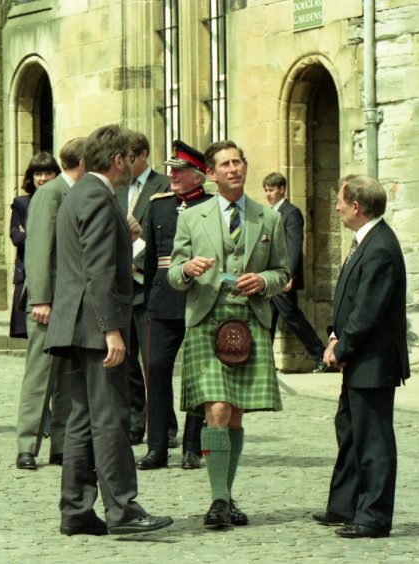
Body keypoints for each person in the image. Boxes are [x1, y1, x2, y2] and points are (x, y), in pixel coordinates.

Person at [44, 124, 172, 536]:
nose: (134, 168)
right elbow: (98, 271)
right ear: (118, 161)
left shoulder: (79, 193)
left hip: (76, 324)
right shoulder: (99, 197)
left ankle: (77, 510)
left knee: (82, 417)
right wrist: (112, 331)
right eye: (131, 160)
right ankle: (123, 508)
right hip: (95, 326)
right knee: (111, 416)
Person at [168, 140, 289, 529]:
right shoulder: (192, 217)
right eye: (225, 164)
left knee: (235, 416)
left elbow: (284, 272)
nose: (234, 168)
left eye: (239, 161)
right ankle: (218, 500)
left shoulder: (267, 218)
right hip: (208, 317)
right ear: (212, 173)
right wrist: (188, 270)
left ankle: (227, 493)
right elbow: (173, 272)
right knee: (216, 411)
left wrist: (264, 280)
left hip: (250, 319)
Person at [313, 174, 409, 539]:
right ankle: (344, 505)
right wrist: (336, 335)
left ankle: (373, 516)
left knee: (374, 442)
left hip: (373, 362)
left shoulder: (381, 247)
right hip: (359, 359)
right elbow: (353, 299)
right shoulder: (366, 242)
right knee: (350, 433)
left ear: (356, 206)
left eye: (340, 200)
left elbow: (369, 310)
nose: (336, 207)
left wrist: (341, 347)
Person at [136, 140, 211, 472]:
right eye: (171, 170)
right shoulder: (159, 206)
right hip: (163, 300)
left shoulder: (212, 206)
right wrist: (149, 300)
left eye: (180, 171)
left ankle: (193, 447)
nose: (172, 175)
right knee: (155, 370)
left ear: (198, 176)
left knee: (197, 376)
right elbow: (152, 260)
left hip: (198, 298)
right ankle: (157, 447)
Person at [14, 139, 85, 470]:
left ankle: (61, 445)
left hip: (71, 303)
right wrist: (40, 298)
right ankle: (27, 445)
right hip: (49, 302)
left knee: (68, 380)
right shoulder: (50, 194)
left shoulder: (79, 191)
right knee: (40, 376)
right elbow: (38, 249)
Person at [115, 132, 171, 446]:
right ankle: (137, 421)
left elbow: (167, 237)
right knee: (128, 363)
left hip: (150, 286)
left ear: (143, 155)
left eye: (128, 158)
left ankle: (165, 426)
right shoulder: (118, 188)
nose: (122, 164)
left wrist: (137, 262)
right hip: (123, 289)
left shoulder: (163, 187)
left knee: (154, 364)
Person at [262, 172, 328, 373]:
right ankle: (264, 363)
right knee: (268, 320)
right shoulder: (270, 213)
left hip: (282, 277)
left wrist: (289, 275)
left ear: (282, 189)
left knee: (292, 317)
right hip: (270, 276)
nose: (268, 194)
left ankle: (321, 356)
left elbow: (294, 245)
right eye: (266, 190)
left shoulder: (291, 213)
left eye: (271, 190)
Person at [9, 152, 61, 339]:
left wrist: (29, 234)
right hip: (26, 275)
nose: (43, 178)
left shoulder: (61, 199)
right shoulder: (22, 203)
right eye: (38, 174)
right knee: (32, 335)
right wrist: (41, 237)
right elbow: (16, 237)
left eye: (48, 173)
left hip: (54, 276)